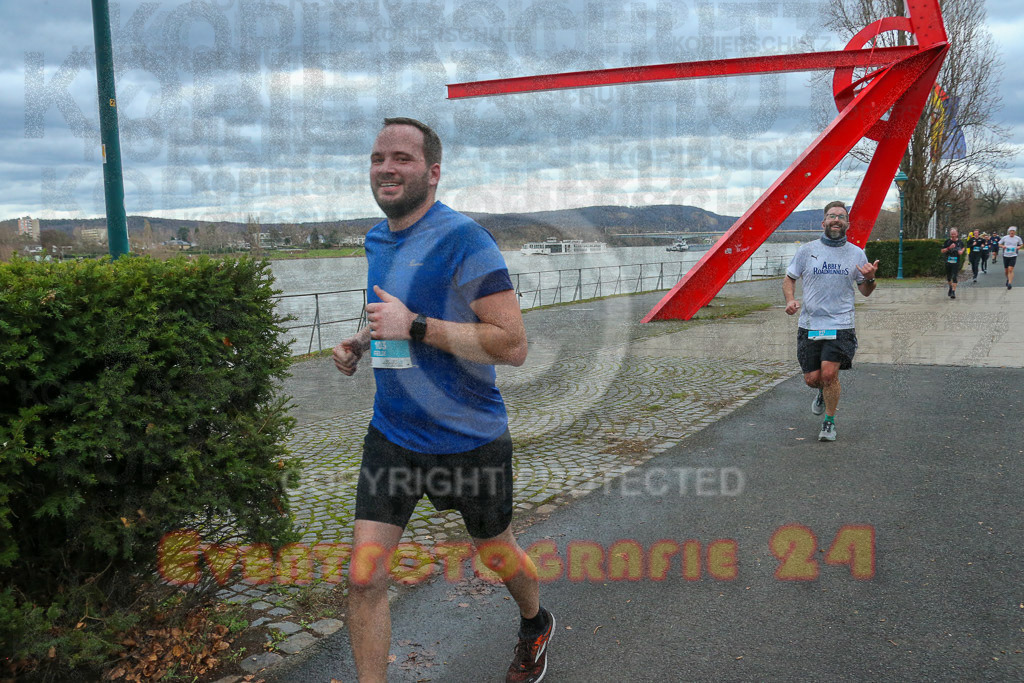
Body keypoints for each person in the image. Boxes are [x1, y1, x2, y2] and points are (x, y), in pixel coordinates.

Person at [333, 117, 554, 683]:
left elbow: (512, 345)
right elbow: (397, 309)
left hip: (468, 438)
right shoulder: (376, 238)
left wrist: (413, 327)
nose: (387, 167)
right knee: (364, 577)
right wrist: (363, 340)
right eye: (379, 156)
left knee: (495, 553)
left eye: (402, 158)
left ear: (432, 172)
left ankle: (535, 621)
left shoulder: (465, 240)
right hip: (394, 435)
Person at [782, 201, 879, 442]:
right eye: (831, 216)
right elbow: (789, 278)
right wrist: (791, 300)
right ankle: (822, 394)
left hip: (840, 323)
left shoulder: (856, 253)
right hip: (810, 324)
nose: (836, 219)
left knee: (829, 375)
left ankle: (829, 422)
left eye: (841, 216)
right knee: (812, 379)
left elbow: (866, 291)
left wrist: (870, 278)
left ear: (847, 223)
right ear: (823, 222)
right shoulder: (806, 250)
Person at [941, 228, 965, 299]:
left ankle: (953, 292)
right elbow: (942, 251)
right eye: (952, 234)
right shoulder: (947, 242)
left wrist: (961, 252)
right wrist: (949, 248)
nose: (953, 235)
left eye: (954, 234)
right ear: (950, 234)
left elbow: (963, 248)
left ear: (957, 234)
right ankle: (950, 287)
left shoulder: (960, 242)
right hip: (948, 262)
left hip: (956, 262)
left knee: (954, 276)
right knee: (949, 277)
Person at [999, 226, 1023, 290]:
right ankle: (1008, 279)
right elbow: (999, 244)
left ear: (1015, 232)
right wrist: (1003, 246)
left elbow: (1021, 244)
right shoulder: (1005, 238)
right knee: (1006, 271)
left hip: (1013, 255)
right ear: (1009, 232)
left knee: (1010, 269)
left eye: (1013, 232)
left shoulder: (1018, 238)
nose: (1012, 233)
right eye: (1011, 232)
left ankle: (1009, 283)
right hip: (1006, 255)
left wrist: (1019, 247)